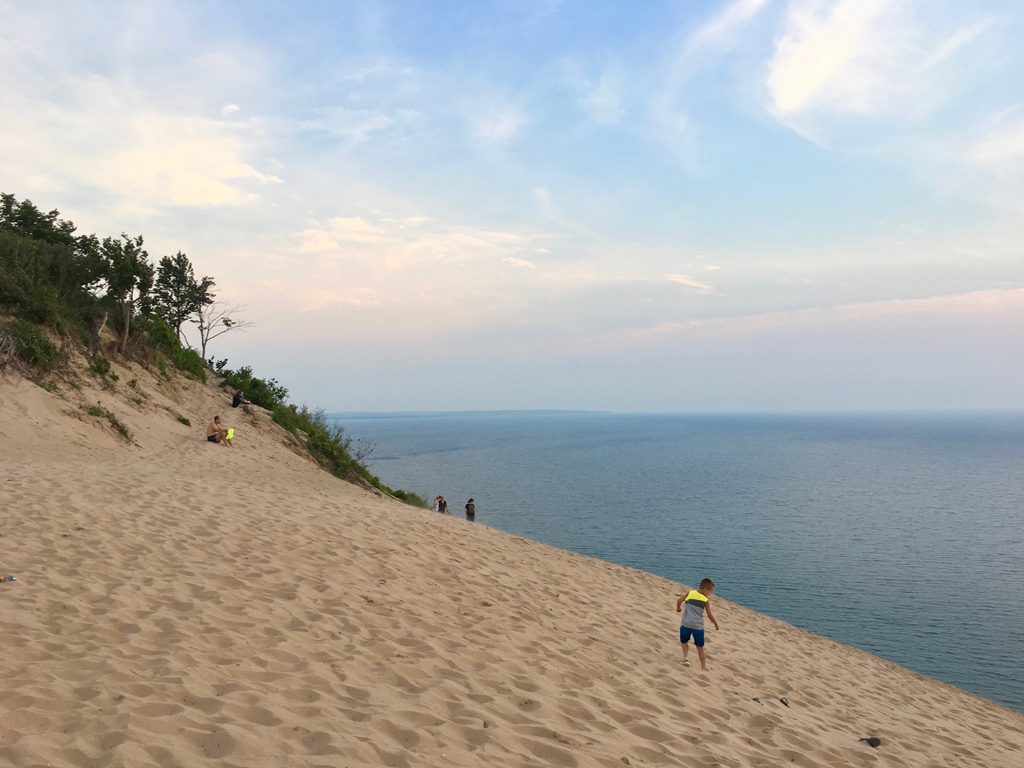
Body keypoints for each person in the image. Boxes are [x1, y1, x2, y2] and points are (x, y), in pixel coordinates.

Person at [676, 577, 719, 671]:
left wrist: (678, 609)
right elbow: (709, 615)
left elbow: (679, 601)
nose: (710, 593)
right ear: (705, 589)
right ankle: (703, 667)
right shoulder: (705, 600)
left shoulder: (690, 593)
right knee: (700, 648)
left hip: (686, 624)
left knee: (684, 642)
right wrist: (715, 623)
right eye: (710, 591)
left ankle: (685, 658)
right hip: (698, 627)